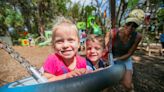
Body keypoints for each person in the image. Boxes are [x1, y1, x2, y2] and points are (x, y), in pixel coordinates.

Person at [105, 9, 145, 92]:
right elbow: (105, 45)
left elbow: (130, 53)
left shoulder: (138, 37)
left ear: (137, 27)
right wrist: (107, 52)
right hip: (112, 58)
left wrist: (117, 59)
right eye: (128, 24)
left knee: (127, 85)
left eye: (134, 25)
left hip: (125, 59)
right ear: (125, 23)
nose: (130, 27)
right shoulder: (114, 32)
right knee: (107, 84)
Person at [42, 17, 88, 82]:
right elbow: (44, 81)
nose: (65, 45)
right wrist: (66, 76)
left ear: (78, 44)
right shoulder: (53, 60)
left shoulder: (82, 62)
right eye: (59, 41)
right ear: (54, 45)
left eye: (70, 40)